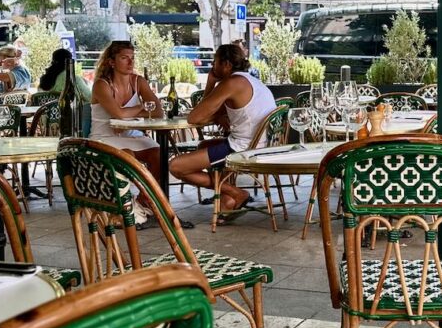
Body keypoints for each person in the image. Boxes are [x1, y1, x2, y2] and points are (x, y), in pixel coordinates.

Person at [170, 43, 276, 222]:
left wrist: (210, 83)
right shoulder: (250, 81)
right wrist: (219, 116)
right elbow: (218, 113)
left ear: (226, 64)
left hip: (243, 150)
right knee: (204, 145)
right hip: (261, 145)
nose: (212, 67)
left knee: (176, 166)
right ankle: (228, 200)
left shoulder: (231, 83)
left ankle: (236, 193)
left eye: (214, 62)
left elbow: (194, 117)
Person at [90, 40, 162, 173]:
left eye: (132, 58)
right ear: (112, 62)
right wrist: (141, 106)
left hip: (133, 135)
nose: (130, 62)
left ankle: (145, 195)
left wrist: (130, 114)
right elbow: (120, 114)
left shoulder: (138, 81)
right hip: (104, 138)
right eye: (124, 58)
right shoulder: (101, 85)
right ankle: (124, 193)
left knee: (159, 154)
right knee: (128, 156)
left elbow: (158, 112)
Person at [38, 47, 92, 136]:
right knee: (89, 108)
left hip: (48, 124)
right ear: (70, 62)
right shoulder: (73, 79)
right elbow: (90, 98)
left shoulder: (45, 79)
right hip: (72, 123)